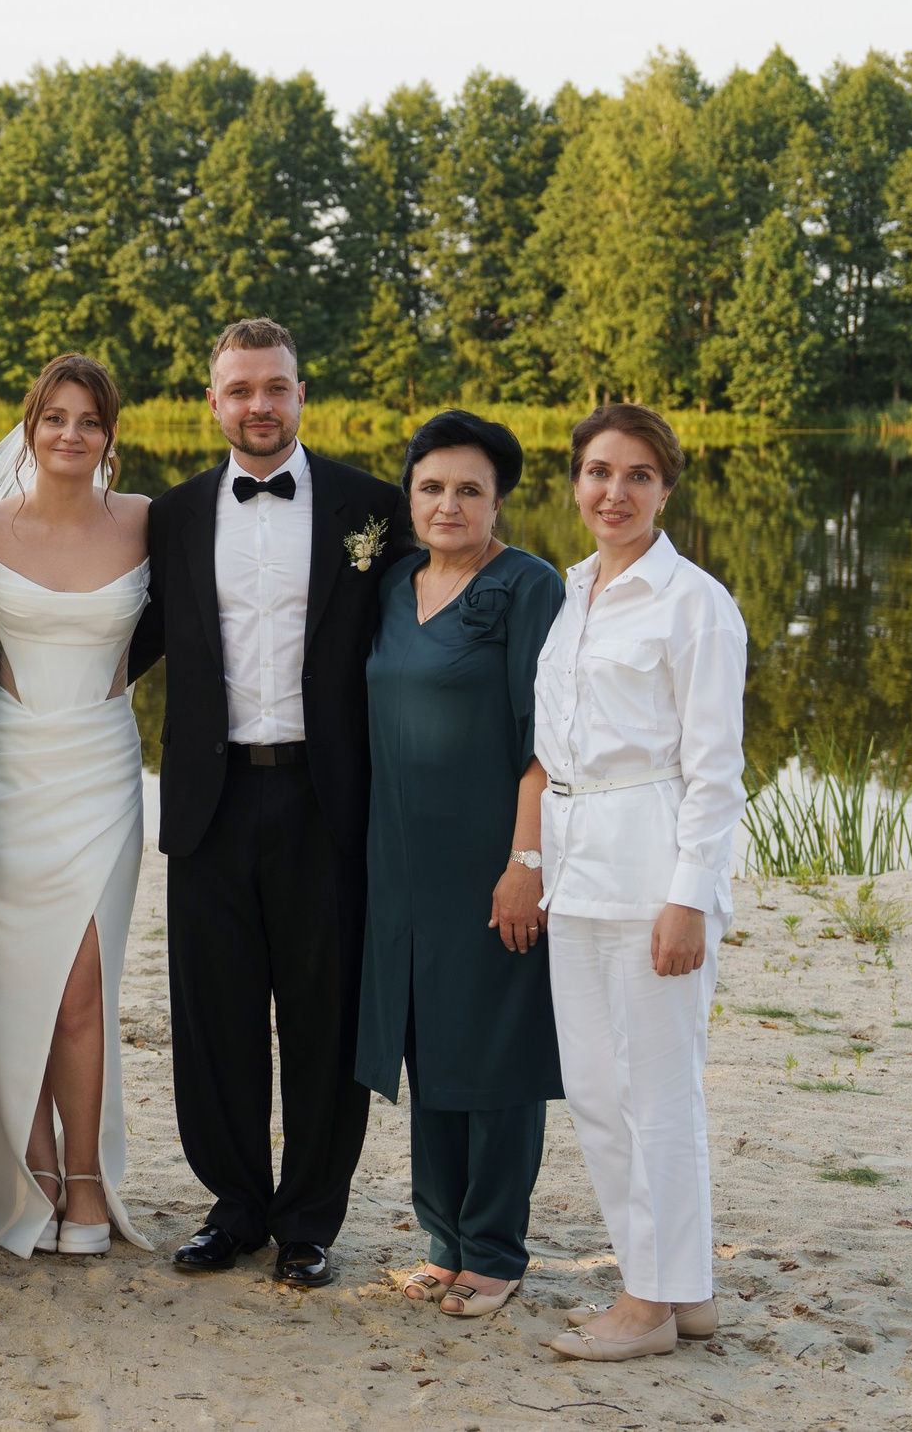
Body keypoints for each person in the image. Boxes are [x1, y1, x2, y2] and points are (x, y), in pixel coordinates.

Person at [126, 318, 409, 1290]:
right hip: (207, 802)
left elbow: (429, 627)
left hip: (329, 803)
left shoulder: (373, 508)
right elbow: (121, 639)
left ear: (300, 393)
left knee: (324, 1021)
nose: (258, 405)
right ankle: (236, 1206)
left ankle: (309, 1220)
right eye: (239, 389)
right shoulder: (167, 516)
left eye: (275, 387)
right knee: (214, 1021)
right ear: (212, 403)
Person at [534, 403, 748, 1362]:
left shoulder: (693, 601)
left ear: (667, 487)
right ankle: (686, 1285)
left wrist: (688, 895)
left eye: (635, 475)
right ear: (575, 481)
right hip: (574, 868)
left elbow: (715, 769)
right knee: (596, 1090)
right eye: (596, 471)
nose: (612, 492)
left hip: (651, 870)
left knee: (656, 1095)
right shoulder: (573, 590)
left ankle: (647, 1301)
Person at [0, 355, 153, 1258]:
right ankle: (32, 1174)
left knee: (81, 990)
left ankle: (90, 1184)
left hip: (103, 772)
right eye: (55, 417)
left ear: (110, 434)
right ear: (30, 426)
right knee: (8, 980)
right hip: (8, 774)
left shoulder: (148, 524)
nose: (71, 434)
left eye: (89, 421)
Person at [355, 411, 564, 1319]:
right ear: (409, 496)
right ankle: (442, 1238)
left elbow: (546, 742)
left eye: (469, 489)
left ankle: (496, 1248)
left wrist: (526, 860)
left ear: (498, 500)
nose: (449, 504)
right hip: (399, 858)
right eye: (432, 487)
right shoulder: (394, 581)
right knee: (427, 1042)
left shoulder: (529, 587)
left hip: (491, 853)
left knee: (497, 1052)